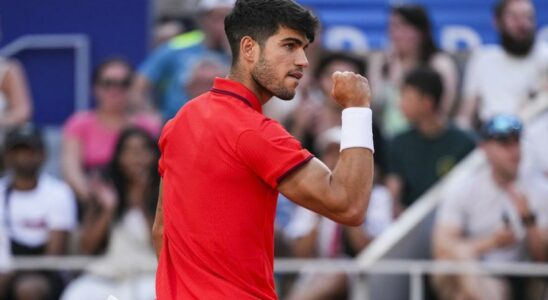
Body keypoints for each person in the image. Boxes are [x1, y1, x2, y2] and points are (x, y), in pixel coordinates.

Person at [152, 0, 375, 299]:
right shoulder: (254, 132)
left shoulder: (179, 121)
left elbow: (161, 231)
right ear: (249, 49)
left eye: (305, 48)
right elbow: (349, 203)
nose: (303, 61)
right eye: (290, 45)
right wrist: (357, 108)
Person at [432, 115, 548, 300]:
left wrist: (528, 219)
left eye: (516, 141)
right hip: (476, 273)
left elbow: (542, 259)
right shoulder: (464, 186)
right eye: (503, 143)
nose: (513, 150)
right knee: (460, 260)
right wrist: (492, 242)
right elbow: (441, 247)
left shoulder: (539, 189)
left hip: (520, 278)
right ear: (484, 149)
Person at [284, 127, 393, 300]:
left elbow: (369, 249)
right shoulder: (310, 194)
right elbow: (300, 254)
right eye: (329, 153)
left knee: (337, 272)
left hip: (362, 273)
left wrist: (347, 204)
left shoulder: (378, 195)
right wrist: (318, 214)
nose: (334, 160)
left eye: (340, 153)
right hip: (317, 271)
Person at [61, 128, 159, 300]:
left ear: (153, 155)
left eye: (143, 150)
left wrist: (143, 202)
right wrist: (109, 209)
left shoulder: (164, 194)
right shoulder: (104, 193)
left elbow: (159, 244)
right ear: (119, 157)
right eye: (129, 151)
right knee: (75, 295)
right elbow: (87, 248)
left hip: (149, 274)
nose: (137, 158)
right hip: (107, 275)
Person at [61, 58, 161, 206]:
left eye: (124, 84)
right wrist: (90, 198)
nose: (116, 90)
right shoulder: (79, 123)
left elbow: (159, 170)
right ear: (95, 88)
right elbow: (71, 169)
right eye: (108, 83)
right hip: (94, 203)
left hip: (142, 203)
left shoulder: (149, 125)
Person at [0, 125, 77, 300]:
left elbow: (53, 256)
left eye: (29, 150)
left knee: (29, 289)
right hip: (5, 270)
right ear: (7, 156)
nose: (23, 157)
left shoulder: (59, 192)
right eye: (17, 151)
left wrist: (10, 272)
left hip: (46, 274)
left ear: (43, 154)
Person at [385, 67, 475, 215]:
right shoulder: (398, 143)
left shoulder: (464, 143)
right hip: (410, 222)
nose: (400, 104)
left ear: (427, 103)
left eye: (406, 98)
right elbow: (393, 197)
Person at [131, 0, 234, 120]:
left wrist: (232, 50)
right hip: (175, 124)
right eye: (218, 18)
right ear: (203, 19)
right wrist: (151, 118)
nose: (224, 25)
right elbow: (139, 85)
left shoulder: (241, 51)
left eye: (229, 18)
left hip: (222, 126)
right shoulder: (178, 47)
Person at [368, 4, 459, 138]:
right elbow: (373, 104)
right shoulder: (381, 62)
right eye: (392, 27)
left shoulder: (440, 63)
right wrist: (390, 70)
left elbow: (444, 108)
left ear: (421, 31)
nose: (396, 34)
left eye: (404, 28)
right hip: (385, 136)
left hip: (426, 134)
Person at [458, 0, 548, 130]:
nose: (523, 24)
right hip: (490, 138)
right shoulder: (482, 59)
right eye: (514, 17)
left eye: (528, 17)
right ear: (497, 22)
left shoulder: (545, 57)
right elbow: (466, 114)